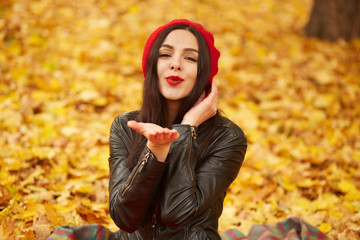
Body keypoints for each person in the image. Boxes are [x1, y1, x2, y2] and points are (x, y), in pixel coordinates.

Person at [108, 19, 247, 239]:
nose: (176, 64)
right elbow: (125, 218)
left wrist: (187, 128)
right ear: (152, 64)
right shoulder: (125, 127)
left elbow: (176, 212)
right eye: (165, 55)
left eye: (190, 58)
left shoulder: (228, 137)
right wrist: (155, 153)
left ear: (204, 74)